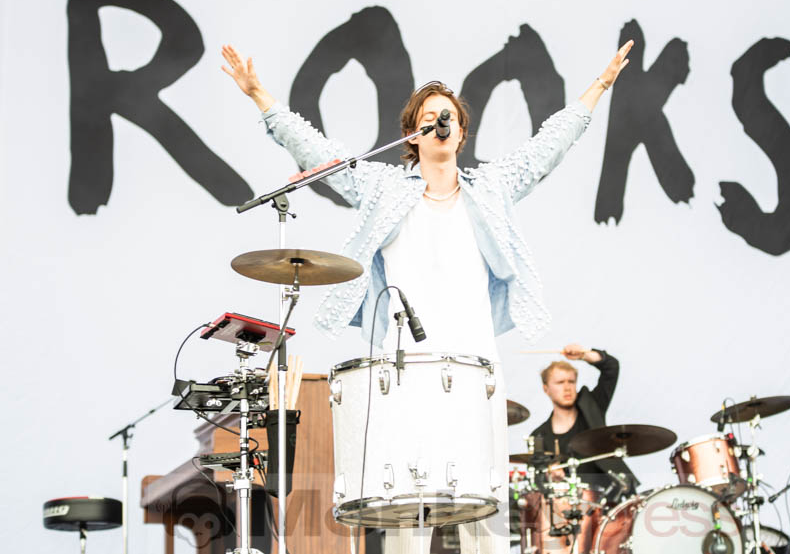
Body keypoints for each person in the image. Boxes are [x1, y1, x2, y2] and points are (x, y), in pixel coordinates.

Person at [221, 41, 632, 554]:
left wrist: (598, 88)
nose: (441, 121)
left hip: (474, 365)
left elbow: (546, 148)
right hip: (402, 366)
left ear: (461, 132)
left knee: (487, 508)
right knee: (403, 510)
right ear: (413, 135)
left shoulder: (491, 187)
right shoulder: (381, 186)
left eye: (449, 116)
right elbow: (318, 154)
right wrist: (261, 95)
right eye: (429, 116)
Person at [530, 344, 637, 499]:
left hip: (611, 496)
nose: (567, 388)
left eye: (571, 381)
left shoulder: (592, 406)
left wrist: (584, 355)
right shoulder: (539, 436)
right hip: (568, 509)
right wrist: (549, 475)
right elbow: (535, 482)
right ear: (546, 389)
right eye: (560, 382)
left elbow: (611, 368)